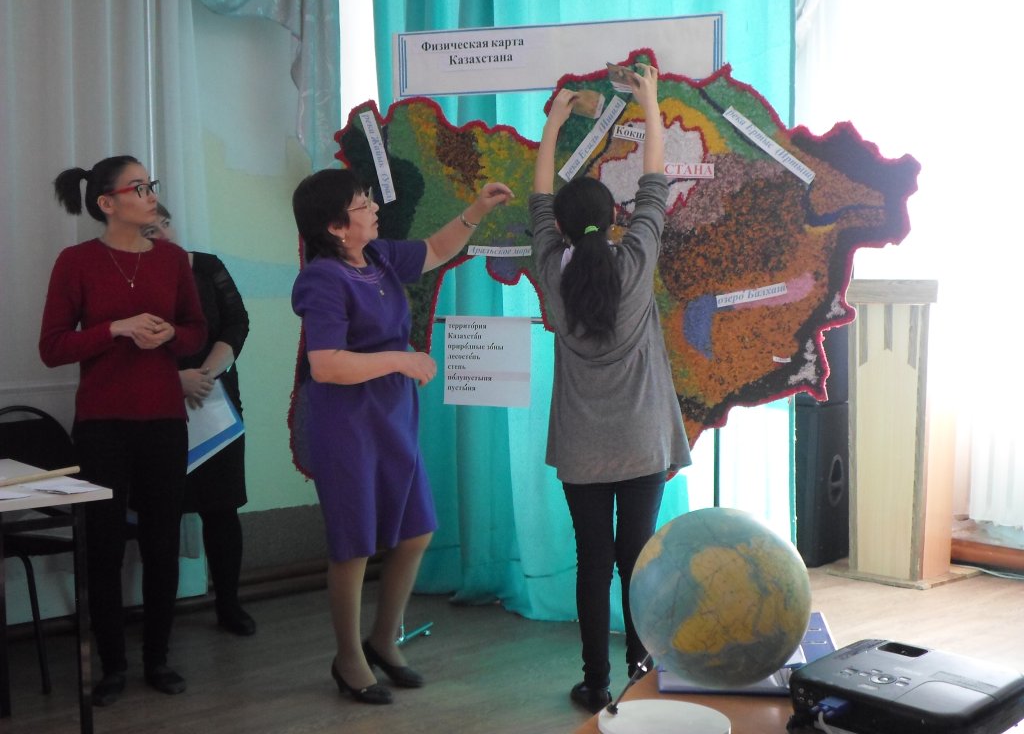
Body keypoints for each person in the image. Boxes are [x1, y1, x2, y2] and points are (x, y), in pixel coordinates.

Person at [289, 170, 512, 705]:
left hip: (392, 414)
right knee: (354, 544)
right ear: (335, 226)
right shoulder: (322, 279)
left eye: (368, 199)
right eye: (361, 204)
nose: (373, 208)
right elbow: (326, 364)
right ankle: (349, 658)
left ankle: (383, 640)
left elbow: (436, 249)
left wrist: (477, 210)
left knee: (416, 530)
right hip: (346, 422)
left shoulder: (379, 256)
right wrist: (399, 359)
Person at [529, 65, 692, 713]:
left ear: (561, 228)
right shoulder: (636, 260)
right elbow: (655, 182)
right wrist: (649, 101)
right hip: (642, 441)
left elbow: (539, 197)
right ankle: (639, 670)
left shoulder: (550, 269)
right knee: (636, 559)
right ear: (616, 217)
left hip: (582, 448)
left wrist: (553, 123)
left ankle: (594, 682)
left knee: (592, 563)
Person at [39, 156, 207, 706]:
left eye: (150, 184)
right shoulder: (76, 262)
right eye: (138, 187)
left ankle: (158, 659)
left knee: (162, 543)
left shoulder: (173, 259)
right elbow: (52, 347)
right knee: (103, 546)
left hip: (164, 420)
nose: (150, 194)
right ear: (107, 203)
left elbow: (196, 331)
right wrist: (114, 328)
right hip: (102, 424)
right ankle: (111, 664)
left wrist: (169, 337)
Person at [142, 204, 255, 637]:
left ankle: (229, 604)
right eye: (150, 231)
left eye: (165, 224)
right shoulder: (132, 278)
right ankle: (159, 621)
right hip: (159, 403)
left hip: (214, 398)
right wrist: (177, 381)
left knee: (222, 507)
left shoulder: (206, 267)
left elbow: (237, 323)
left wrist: (204, 376)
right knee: (162, 516)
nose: (163, 235)